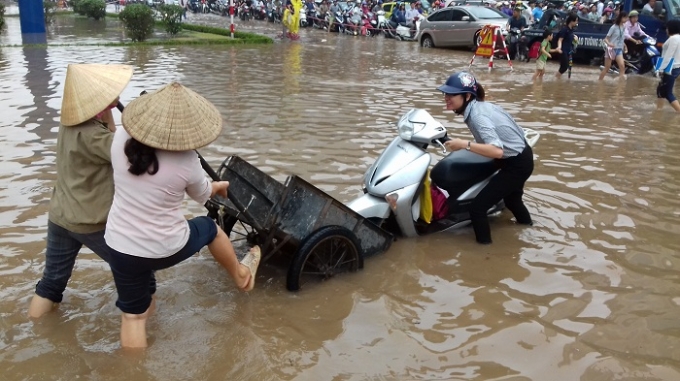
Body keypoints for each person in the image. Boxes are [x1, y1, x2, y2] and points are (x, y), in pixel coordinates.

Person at [105, 82, 261, 348]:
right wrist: (220, 186)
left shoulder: (119, 138)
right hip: (163, 246)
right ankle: (240, 275)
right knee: (210, 229)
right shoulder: (187, 160)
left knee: (133, 318)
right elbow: (203, 194)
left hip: (120, 245)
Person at [27, 64, 158, 318]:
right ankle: (147, 327)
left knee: (51, 284)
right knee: (142, 275)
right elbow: (130, 155)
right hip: (92, 222)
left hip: (61, 216)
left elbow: (108, 131)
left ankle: (36, 327)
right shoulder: (96, 139)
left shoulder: (69, 124)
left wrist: (108, 108)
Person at [437, 72, 534, 244]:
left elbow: (496, 151)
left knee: (478, 208)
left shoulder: (477, 115)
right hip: (521, 155)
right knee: (512, 200)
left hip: (517, 163)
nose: (447, 98)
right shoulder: (479, 107)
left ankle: (485, 251)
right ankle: (528, 231)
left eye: (452, 94)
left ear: (467, 96)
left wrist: (464, 144)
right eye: (445, 93)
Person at [656, 19, 680, 112]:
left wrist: (661, 69)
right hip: (675, 67)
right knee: (660, 90)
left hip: (670, 68)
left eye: (667, 28)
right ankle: (658, 110)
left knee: (667, 93)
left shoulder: (673, 39)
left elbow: (668, 56)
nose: (666, 30)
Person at [599, 11, 628, 80]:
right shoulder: (614, 27)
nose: (626, 19)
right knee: (607, 68)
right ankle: (600, 81)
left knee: (622, 66)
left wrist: (625, 45)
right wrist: (609, 44)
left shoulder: (623, 27)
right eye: (625, 18)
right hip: (611, 50)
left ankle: (620, 84)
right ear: (621, 18)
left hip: (619, 49)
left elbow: (621, 38)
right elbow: (606, 39)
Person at [555, 14, 578, 78]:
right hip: (563, 51)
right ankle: (556, 78)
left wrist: (574, 37)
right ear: (571, 21)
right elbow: (560, 40)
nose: (576, 23)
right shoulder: (564, 30)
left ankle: (557, 79)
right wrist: (559, 47)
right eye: (576, 21)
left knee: (563, 66)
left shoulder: (571, 30)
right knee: (564, 67)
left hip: (568, 51)